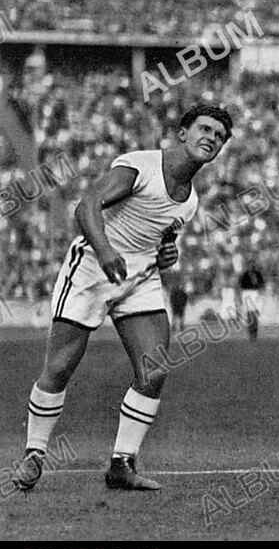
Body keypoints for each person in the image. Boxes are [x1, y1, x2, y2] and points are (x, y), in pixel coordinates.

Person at [12, 104, 232, 492]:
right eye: (205, 128)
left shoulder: (190, 201)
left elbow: (163, 243)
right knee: (61, 365)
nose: (211, 138)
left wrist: (169, 254)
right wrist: (107, 250)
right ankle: (34, 453)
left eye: (219, 136)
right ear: (182, 132)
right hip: (94, 267)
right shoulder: (140, 165)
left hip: (140, 279)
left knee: (155, 369)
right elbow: (87, 206)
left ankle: (121, 465)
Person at [237, 255, 265, 342]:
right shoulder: (244, 275)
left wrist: (260, 293)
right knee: (250, 313)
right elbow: (240, 286)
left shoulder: (258, 274)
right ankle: (251, 332)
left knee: (255, 313)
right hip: (247, 293)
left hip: (255, 293)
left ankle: (255, 331)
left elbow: (261, 285)